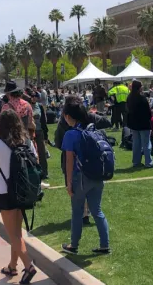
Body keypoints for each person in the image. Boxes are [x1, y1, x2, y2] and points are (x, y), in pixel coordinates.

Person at [0, 110, 39, 284]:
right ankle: (12, 265)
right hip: (22, 190)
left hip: (5, 192)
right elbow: (35, 161)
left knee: (13, 235)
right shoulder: (27, 141)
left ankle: (28, 266)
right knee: (17, 233)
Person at [60, 97, 110, 255]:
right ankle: (104, 245)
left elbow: (69, 161)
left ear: (69, 116)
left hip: (80, 177)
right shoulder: (92, 130)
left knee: (77, 211)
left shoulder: (70, 134)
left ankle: (73, 245)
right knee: (97, 211)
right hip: (97, 175)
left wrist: (68, 183)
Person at [126, 80, 153, 168]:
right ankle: (148, 163)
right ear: (139, 87)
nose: (142, 87)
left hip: (134, 124)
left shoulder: (129, 97)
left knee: (136, 144)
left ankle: (136, 162)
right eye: (141, 86)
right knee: (146, 144)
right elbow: (148, 112)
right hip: (143, 124)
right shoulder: (142, 98)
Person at [30, 91, 49, 182]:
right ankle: (34, 173)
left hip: (39, 131)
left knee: (42, 152)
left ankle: (45, 172)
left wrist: (46, 135)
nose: (33, 98)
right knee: (32, 153)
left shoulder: (40, 106)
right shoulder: (27, 106)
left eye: (35, 96)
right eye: (32, 96)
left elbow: (43, 121)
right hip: (30, 132)